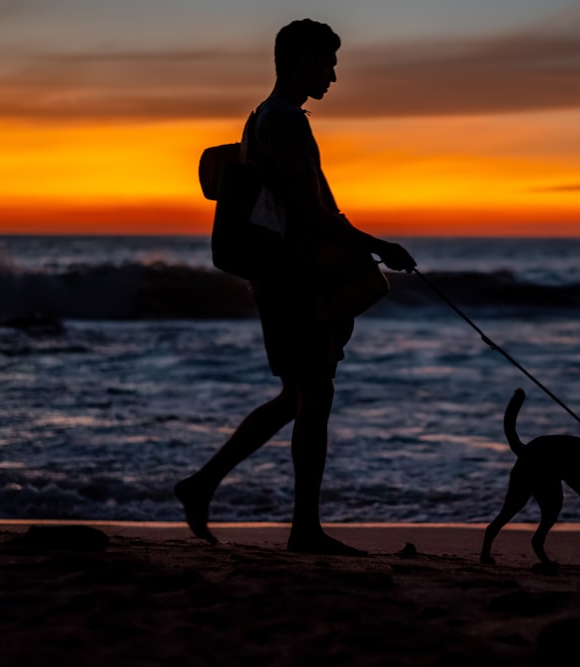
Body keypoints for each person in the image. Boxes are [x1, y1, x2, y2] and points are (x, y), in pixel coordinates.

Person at [175, 19, 416, 555]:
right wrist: (381, 247)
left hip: (281, 275)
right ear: (300, 60)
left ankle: (201, 485)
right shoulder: (284, 122)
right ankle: (304, 531)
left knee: (297, 396)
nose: (333, 74)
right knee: (315, 394)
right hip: (291, 279)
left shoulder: (262, 116)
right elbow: (310, 215)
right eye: (326, 62)